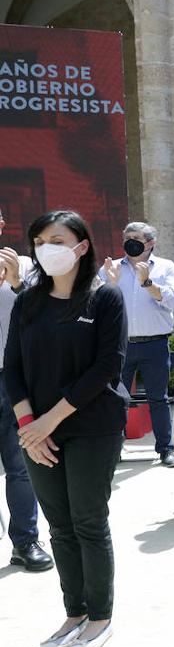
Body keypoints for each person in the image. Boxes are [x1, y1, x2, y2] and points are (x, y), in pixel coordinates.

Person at [5, 210, 127, 647]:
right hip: (37, 432)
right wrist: (27, 426)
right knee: (59, 527)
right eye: (39, 240)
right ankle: (73, 612)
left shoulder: (105, 298)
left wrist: (46, 423)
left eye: (56, 239)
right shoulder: (28, 301)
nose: (45, 248)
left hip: (91, 428)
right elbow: (13, 369)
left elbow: (105, 369)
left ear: (81, 246)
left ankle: (99, 617)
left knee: (88, 522)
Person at [101, 222, 174, 468]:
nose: (130, 242)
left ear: (150, 243)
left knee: (158, 398)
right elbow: (95, 303)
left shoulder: (166, 267)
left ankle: (166, 450)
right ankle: (113, 450)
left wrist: (147, 282)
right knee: (115, 399)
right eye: (127, 237)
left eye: (136, 237)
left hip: (155, 344)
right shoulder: (111, 267)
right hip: (119, 346)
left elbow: (172, 300)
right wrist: (111, 283)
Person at [0, 206, 53, 572]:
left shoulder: (23, 263)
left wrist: (17, 281)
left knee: (20, 465)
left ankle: (25, 541)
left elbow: (41, 315)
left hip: (14, 379)